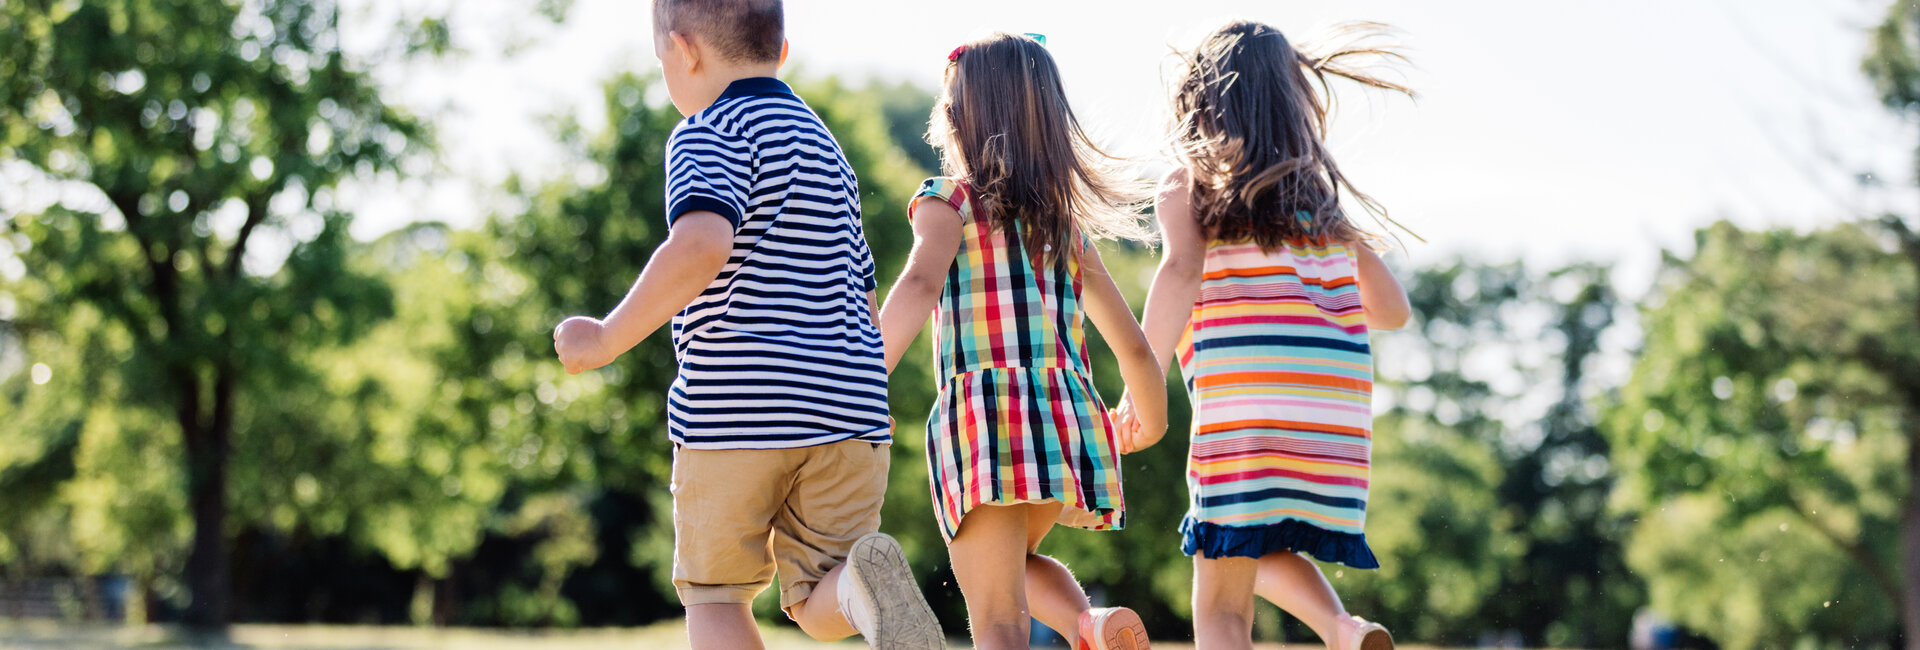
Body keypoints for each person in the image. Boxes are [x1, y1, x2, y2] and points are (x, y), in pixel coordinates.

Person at [552, 1, 939, 648]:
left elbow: (703, 245)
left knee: (715, 594)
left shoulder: (708, 130)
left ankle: (851, 588)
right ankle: (857, 588)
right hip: (848, 413)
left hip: (736, 412)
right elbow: (859, 286)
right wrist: (864, 389)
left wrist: (607, 337)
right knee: (819, 595)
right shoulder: (825, 148)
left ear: (685, 50)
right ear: (781, 52)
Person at [1123, 19, 1415, 650]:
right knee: (1257, 541)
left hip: (1244, 407)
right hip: (1332, 414)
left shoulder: (1191, 183)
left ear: (1202, 101)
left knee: (1222, 607)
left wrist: (1138, 381)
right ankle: (1343, 627)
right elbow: (1393, 311)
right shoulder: (1321, 209)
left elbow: (1179, 271)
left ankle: (1338, 627)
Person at [876, 32, 1168, 650]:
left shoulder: (947, 201)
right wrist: (1151, 417)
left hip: (984, 421)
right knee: (1015, 569)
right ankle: (1087, 622)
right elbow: (1135, 346)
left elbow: (922, 282)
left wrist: (860, 374)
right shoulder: (1064, 226)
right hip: (1063, 423)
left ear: (956, 120)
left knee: (998, 619)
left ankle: (1086, 623)